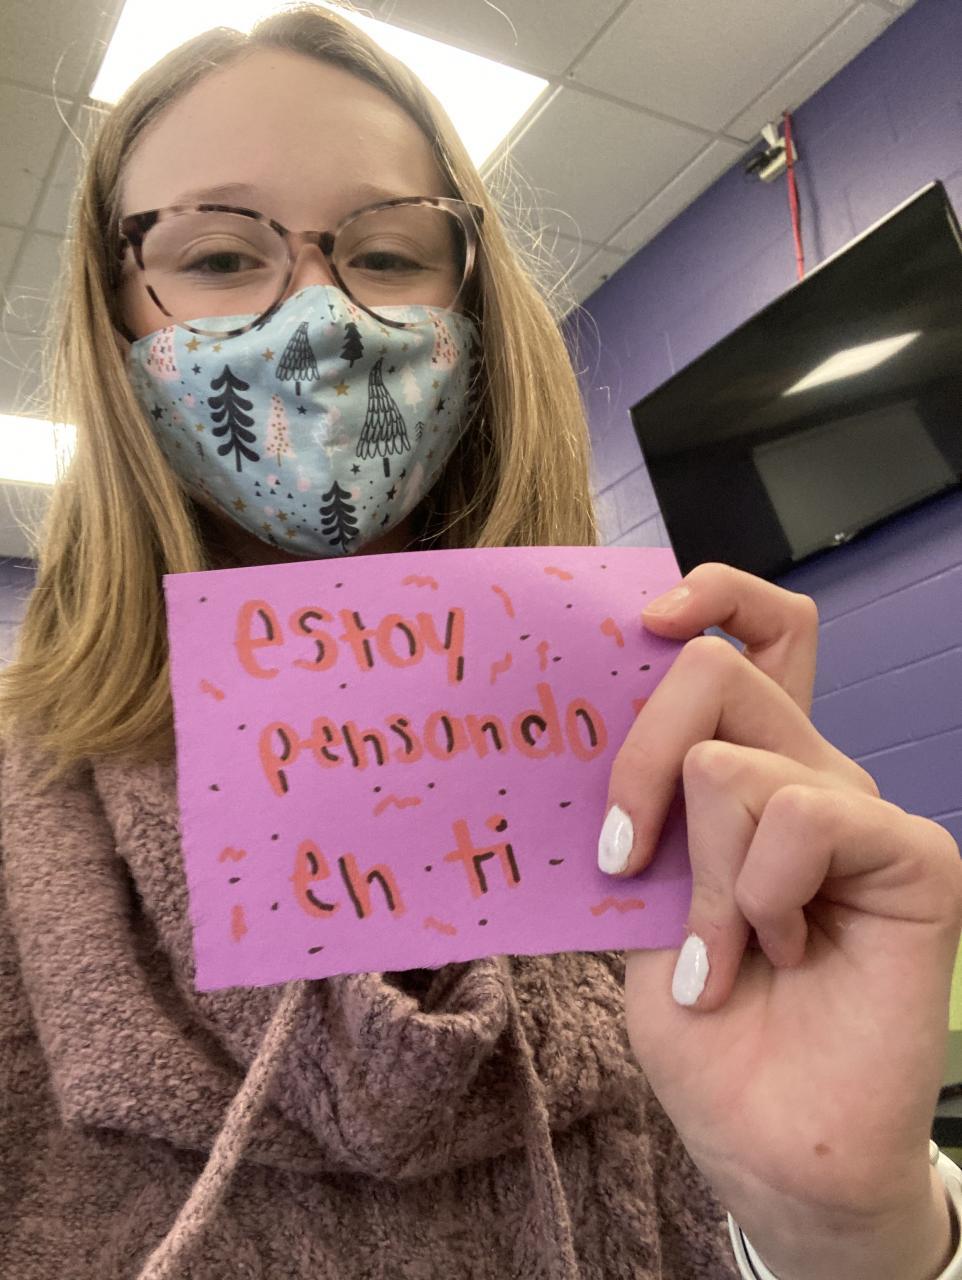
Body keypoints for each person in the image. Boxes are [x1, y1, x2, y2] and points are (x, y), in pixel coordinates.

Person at [1, 7, 960, 1278]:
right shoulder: (24, 815)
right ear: (113, 314)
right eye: (220, 257)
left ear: (472, 301)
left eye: (387, 252)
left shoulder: (646, 749)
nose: (318, 324)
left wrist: (851, 1228)